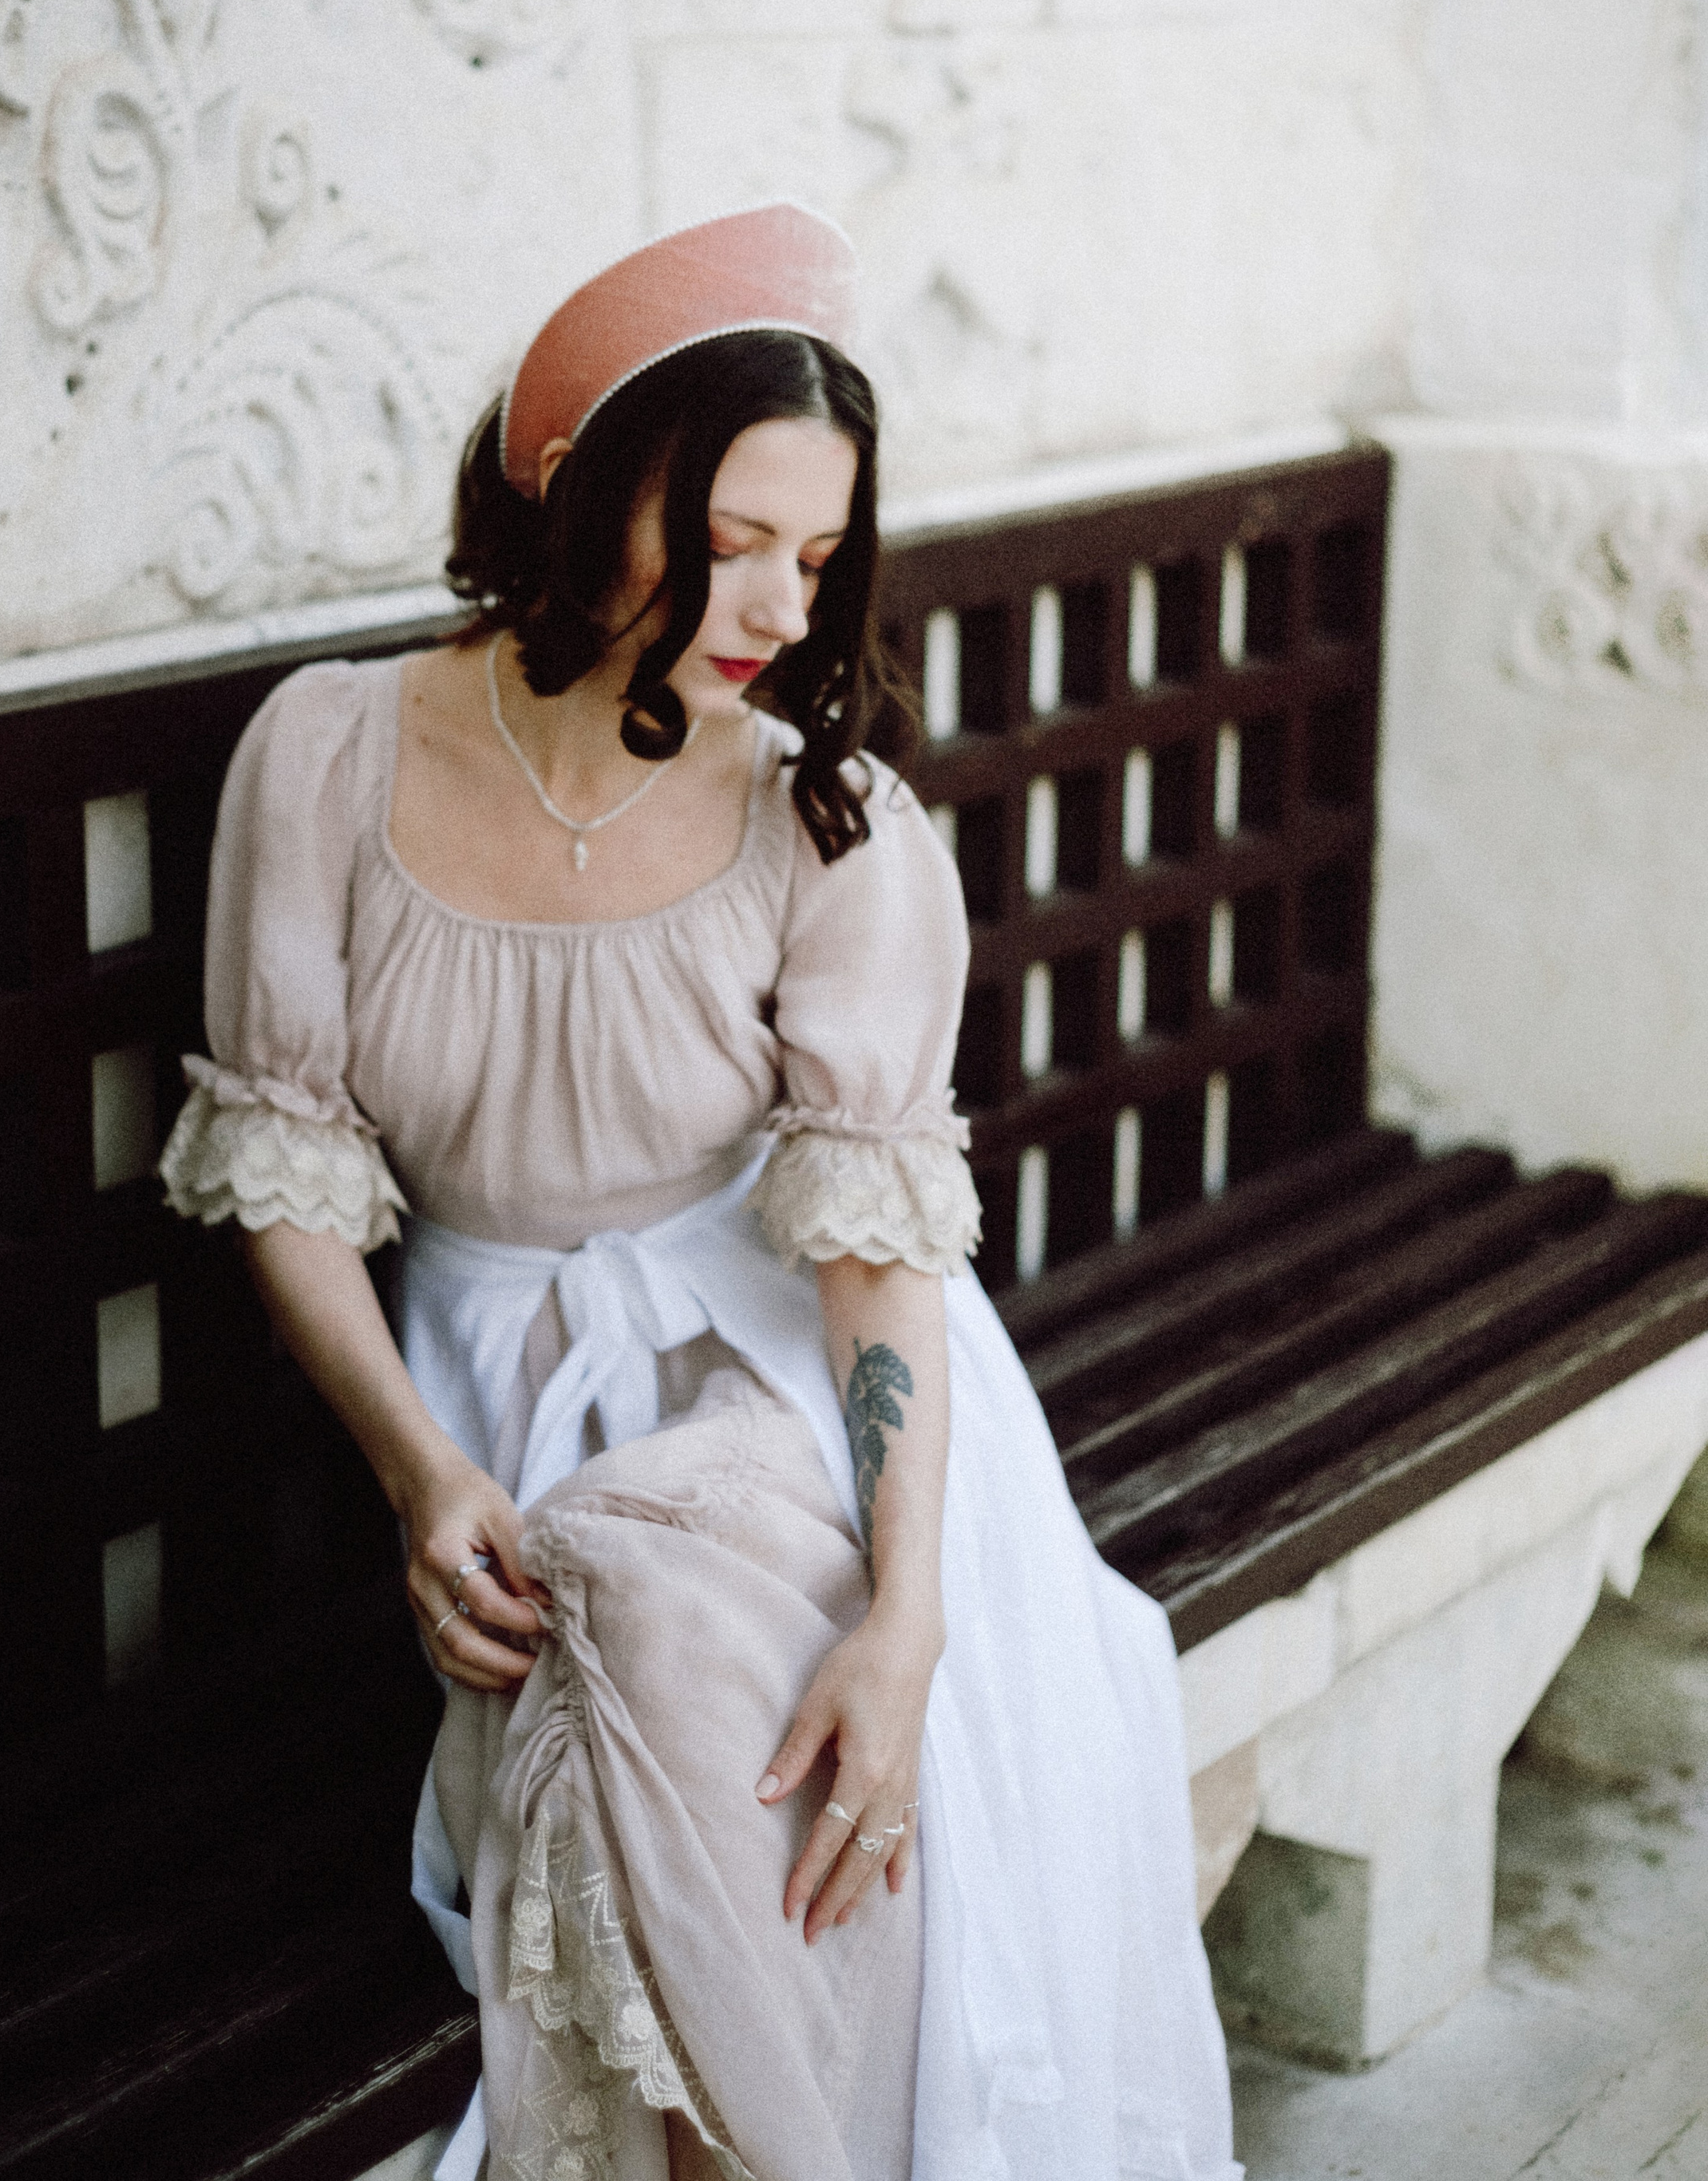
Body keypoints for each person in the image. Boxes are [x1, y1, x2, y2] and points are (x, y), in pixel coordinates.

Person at [159, 205, 1240, 2181]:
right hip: (487, 1379)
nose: (770, 602)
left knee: (722, 1649)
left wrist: (911, 1606)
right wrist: (417, 1477)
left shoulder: (819, 814)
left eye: (815, 558)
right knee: (626, 1608)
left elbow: (869, 1262)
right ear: (579, 492)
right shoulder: (324, 757)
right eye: (729, 534)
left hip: (781, 1363)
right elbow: (284, 1178)